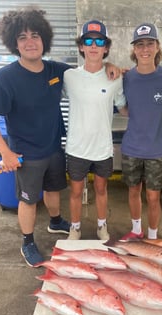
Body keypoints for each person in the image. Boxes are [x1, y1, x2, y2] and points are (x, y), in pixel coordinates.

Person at [0, 7, 120, 267]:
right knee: (28, 200)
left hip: (55, 148)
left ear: (44, 39)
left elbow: (91, 70)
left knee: (54, 190)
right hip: (26, 153)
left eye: (35, 35)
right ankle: (27, 242)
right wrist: (5, 152)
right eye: (22, 37)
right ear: (14, 43)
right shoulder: (4, 78)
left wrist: (112, 66)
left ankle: (56, 221)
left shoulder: (56, 71)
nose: (30, 42)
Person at [63, 20, 126, 241]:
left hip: (102, 148)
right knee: (76, 192)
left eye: (99, 41)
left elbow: (124, 108)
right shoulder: (68, 77)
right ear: (81, 46)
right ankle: (75, 228)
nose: (93, 45)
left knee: (101, 189)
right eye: (88, 40)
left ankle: (101, 226)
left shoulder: (114, 78)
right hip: (77, 147)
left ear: (106, 48)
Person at [120, 23, 162, 241]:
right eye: (140, 44)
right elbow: (124, 109)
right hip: (132, 147)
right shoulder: (126, 78)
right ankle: (136, 231)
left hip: (157, 150)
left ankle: (152, 237)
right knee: (133, 191)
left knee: (153, 197)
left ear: (157, 46)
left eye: (149, 43)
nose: (145, 49)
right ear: (134, 49)